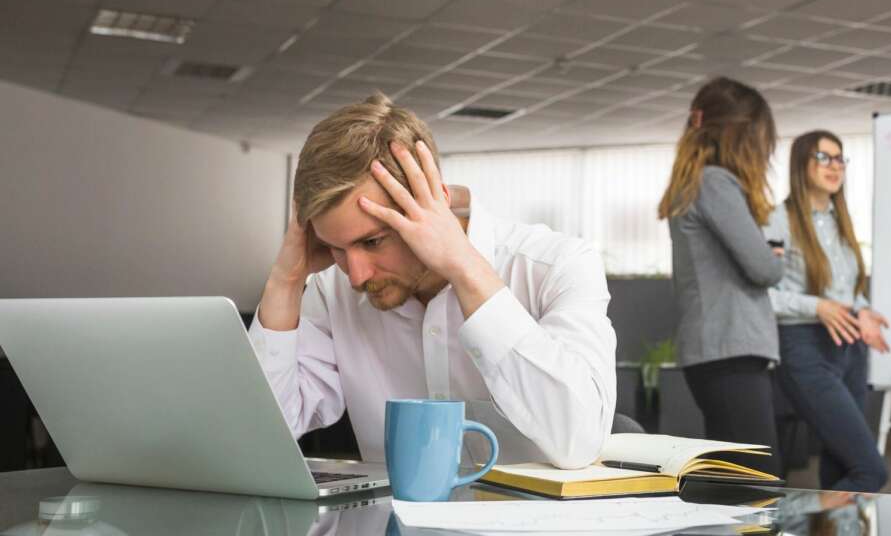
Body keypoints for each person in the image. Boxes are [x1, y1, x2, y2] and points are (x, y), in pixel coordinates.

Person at [248, 93, 617, 468]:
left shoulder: (556, 265)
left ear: (434, 202)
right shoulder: (332, 290)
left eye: (373, 241)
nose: (356, 275)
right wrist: (285, 280)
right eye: (335, 248)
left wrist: (465, 269)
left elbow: (578, 441)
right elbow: (260, 436)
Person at [658, 76, 784, 475]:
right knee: (757, 481)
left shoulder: (694, 183)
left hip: (714, 352)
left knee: (731, 480)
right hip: (730, 349)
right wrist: (775, 253)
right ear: (741, 136)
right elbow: (763, 268)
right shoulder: (715, 183)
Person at [764, 131, 889, 493]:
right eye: (824, 157)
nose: (835, 166)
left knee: (842, 466)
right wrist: (817, 306)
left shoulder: (840, 221)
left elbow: (846, 291)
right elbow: (761, 296)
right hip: (804, 347)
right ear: (801, 163)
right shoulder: (778, 220)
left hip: (849, 348)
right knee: (871, 471)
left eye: (840, 159)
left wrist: (862, 310)